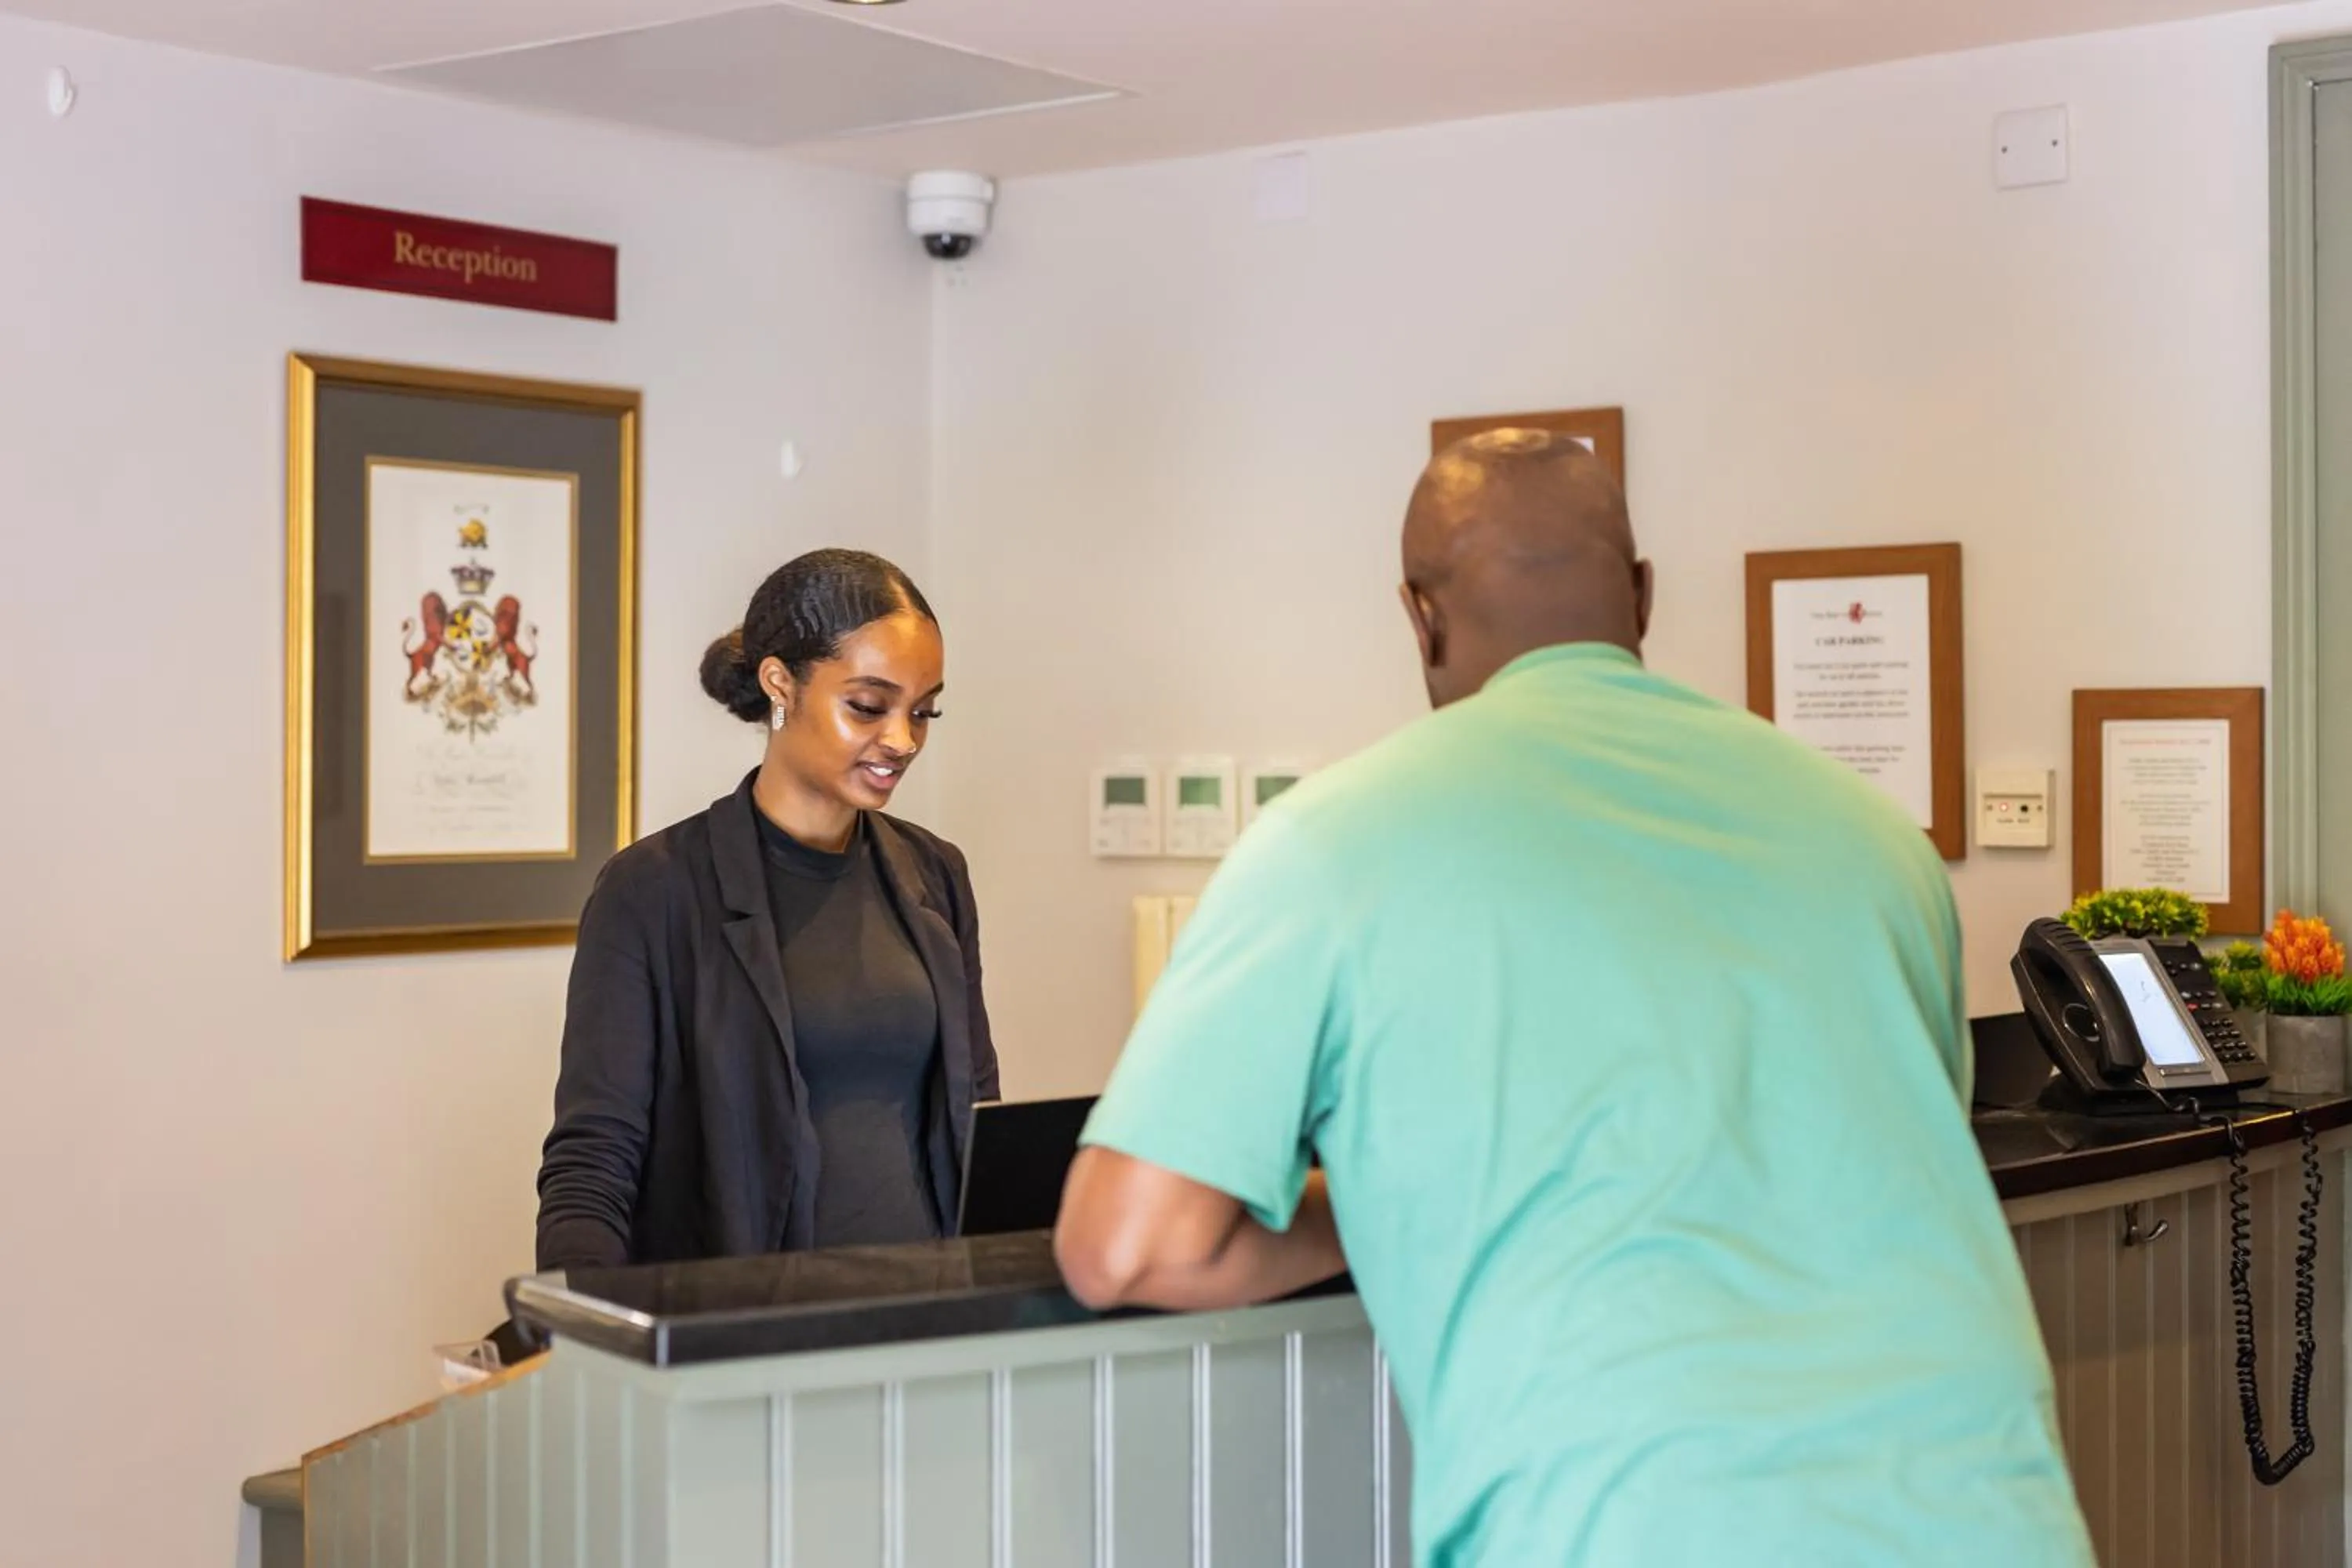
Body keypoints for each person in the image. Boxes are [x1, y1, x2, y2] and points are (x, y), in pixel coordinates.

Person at [1055, 433, 2092, 1566]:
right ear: (1642, 597)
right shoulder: (1876, 839)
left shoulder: (1333, 842)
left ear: (1419, 618)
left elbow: (1126, 1246)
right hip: (1991, 1513)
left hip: (1633, 1525)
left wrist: (1407, 1187)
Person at [535, 548, 997, 1273]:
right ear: (780, 683)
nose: (902, 740)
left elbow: (979, 1117)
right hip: (745, 1321)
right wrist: (582, 1323)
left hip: (930, 1312)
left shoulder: (935, 873)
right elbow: (595, 1158)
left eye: (923, 711)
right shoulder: (652, 889)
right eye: (868, 707)